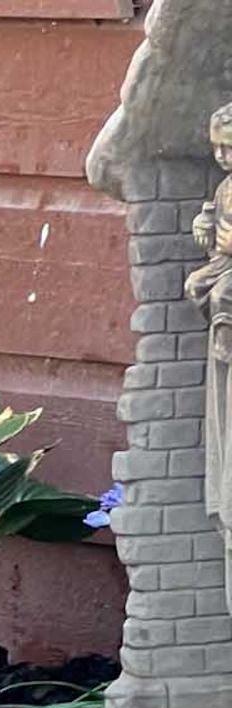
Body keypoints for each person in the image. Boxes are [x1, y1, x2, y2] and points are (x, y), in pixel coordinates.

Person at [184, 102, 232, 596]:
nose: (221, 157)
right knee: (207, 287)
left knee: (221, 293)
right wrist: (205, 221)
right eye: (216, 147)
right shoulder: (224, 187)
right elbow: (216, 221)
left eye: (230, 148)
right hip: (224, 269)